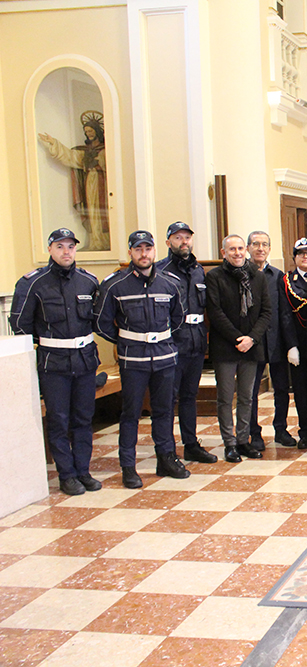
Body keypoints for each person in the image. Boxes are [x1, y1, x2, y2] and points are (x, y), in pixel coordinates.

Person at [10, 228, 102, 495]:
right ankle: (67, 474)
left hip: (84, 360)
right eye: (60, 246)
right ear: (50, 249)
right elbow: (19, 325)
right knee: (59, 420)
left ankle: (83, 471)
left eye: (71, 247)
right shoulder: (33, 283)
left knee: (84, 418)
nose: (66, 252)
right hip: (54, 363)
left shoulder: (88, 281)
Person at [95, 230, 188, 488]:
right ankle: (128, 466)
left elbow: (178, 318)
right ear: (130, 253)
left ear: (155, 250)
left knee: (165, 409)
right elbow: (102, 323)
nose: (144, 254)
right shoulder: (115, 284)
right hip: (133, 359)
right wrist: (127, 341)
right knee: (131, 413)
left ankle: (166, 458)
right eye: (138, 249)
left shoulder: (169, 282)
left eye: (148, 248)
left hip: (164, 356)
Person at [204, 234, 272, 463]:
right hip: (226, 346)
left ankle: (243, 440)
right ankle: (229, 443)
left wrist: (251, 339)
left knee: (247, 397)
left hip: (251, 347)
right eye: (232, 249)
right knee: (225, 397)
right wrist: (237, 339)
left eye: (241, 248)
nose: (237, 253)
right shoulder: (214, 277)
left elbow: (266, 312)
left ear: (246, 250)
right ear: (224, 252)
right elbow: (215, 312)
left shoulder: (258, 277)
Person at [156, 221, 216, 465]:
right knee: (168, 399)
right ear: (168, 241)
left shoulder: (198, 271)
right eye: (178, 237)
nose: (184, 242)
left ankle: (190, 444)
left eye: (187, 237)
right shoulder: (160, 270)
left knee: (190, 396)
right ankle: (167, 450)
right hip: (172, 342)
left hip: (195, 341)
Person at [247, 231, 295, 449]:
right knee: (252, 390)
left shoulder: (278, 276)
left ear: (269, 249)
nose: (260, 248)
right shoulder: (242, 274)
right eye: (255, 244)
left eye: (264, 244)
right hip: (252, 343)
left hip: (276, 341)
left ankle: (280, 429)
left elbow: (285, 311)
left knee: (282, 388)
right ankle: (254, 433)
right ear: (248, 248)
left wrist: (289, 343)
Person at [37, 111, 109, 251]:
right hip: (90, 183)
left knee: (104, 212)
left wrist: (98, 163)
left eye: (91, 130)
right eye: (86, 131)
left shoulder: (106, 150)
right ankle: (96, 241)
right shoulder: (85, 151)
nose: (88, 133)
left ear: (97, 131)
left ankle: (105, 241)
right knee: (92, 212)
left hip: (104, 184)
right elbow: (70, 157)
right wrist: (54, 143)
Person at [278, 238, 307, 450]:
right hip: (299, 342)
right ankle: (306, 431)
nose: (306, 257)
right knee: (302, 390)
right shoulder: (286, 281)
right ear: (294, 257)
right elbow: (285, 315)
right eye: (301, 253)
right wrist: (291, 345)